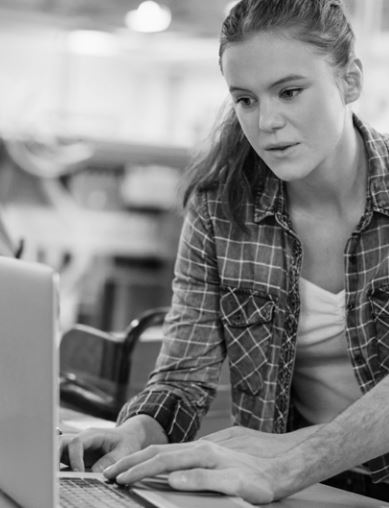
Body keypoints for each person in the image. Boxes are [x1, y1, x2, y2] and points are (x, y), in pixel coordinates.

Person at [60, 0, 389, 503]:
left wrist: (289, 462)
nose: (267, 121)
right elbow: (183, 377)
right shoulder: (220, 207)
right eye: (246, 100)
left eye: (290, 92)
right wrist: (138, 431)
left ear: (350, 81)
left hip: (297, 476)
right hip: (308, 492)